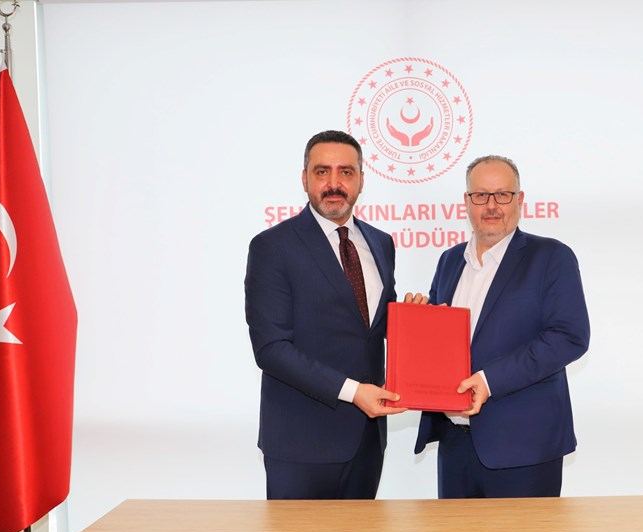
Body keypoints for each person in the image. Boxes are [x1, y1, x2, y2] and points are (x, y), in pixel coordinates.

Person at [245, 130, 417, 499]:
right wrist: (353, 392)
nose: (334, 183)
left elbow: (372, 325)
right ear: (304, 178)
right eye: (322, 172)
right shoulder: (272, 247)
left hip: (368, 441)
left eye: (346, 172)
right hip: (300, 443)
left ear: (361, 181)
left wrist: (412, 322)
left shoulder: (381, 243)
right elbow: (271, 348)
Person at [414, 155, 591, 498]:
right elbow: (443, 344)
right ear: (467, 202)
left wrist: (489, 380)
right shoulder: (450, 261)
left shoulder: (551, 257)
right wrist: (418, 325)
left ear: (520, 200)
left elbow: (569, 337)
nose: (491, 205)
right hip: (455, 445)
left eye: (503, 195)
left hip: (524, 449)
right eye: (481, 195)